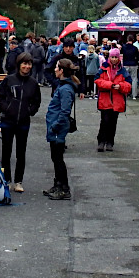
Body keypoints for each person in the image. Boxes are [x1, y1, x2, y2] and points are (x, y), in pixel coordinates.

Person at [0, 53, 42, 193]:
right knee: (6, 151)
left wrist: (30, 111)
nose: (27, 66)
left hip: (23, 122)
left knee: (21, 152)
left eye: (29, 64)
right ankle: (6, 179)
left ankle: (18, 181)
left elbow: (37, 101)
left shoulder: (33, 83)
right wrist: (6, 108)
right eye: (24, 63)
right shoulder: (9, 80)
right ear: (19, 64)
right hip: (8, 121)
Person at [44, 58, 78, 201]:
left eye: (57, 67)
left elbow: (65, 111)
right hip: (55, 127)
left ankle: (64, 188)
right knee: (55, 157)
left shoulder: (65, 89)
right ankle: (58, 184)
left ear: (62, 70)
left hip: (57, 129)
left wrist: (56, 125)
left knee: (58, 159)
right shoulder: (63, 86)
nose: (55, 69)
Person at [94, 47, 132, 152]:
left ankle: (110, 142)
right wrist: (109, 85)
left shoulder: (123, 70)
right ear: (109, 57)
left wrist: (120, 86)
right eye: (112, 57)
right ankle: (101, 141)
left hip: (117, 100)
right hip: (105, 100)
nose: (114, 59)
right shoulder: (103, 68)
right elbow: (97, 81)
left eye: (116, 57)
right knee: (104, 121)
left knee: (113, 122)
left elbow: (129, 84)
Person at [121, 35, 139, 99]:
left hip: (125, 64)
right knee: (134, 79)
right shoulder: (135, 48)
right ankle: (134, 95)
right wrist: (136, 62)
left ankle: (125, 93)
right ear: (133, 40)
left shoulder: (123, 47)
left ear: (127, 39)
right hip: (133, 64)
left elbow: (121, 55)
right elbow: (137, 57)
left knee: (125, 78)